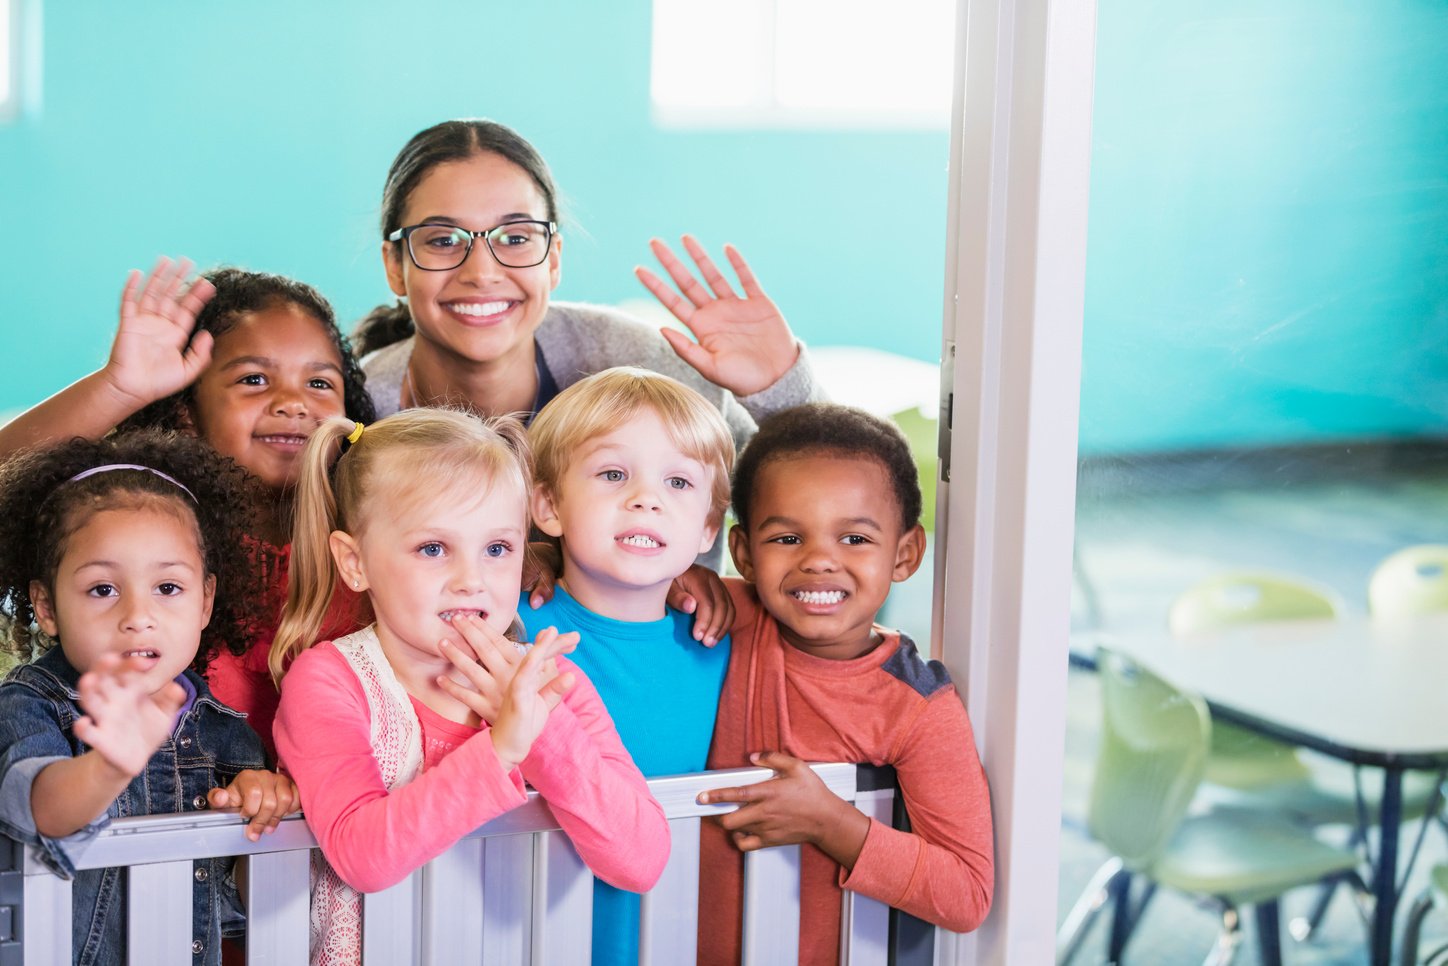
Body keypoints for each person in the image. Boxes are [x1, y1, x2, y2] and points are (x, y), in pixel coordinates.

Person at [270, 409, 668, 966]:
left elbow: (641, 859)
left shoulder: (555, 685)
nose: (471, 579)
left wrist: (543, 733)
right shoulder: (330, 681)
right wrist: (501, 746)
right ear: (355, 562)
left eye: (497, 549)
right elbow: (361, 855)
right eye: (433, 548)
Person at [0, 261, 378, 756]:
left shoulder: (368, 546)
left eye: (320, 383)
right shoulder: (151, 537)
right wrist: (120, 389)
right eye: (254, 380)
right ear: (186, 412)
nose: (293, 403)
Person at [696, 403, 995, 964]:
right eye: (786, 539)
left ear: (905, 555)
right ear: (743, 554)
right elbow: (612, 588)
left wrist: (830, 823)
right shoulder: (720, 612)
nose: (819, 562)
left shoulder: (917, 708)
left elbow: (967, 893)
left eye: (854, 540)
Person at [0, 432, 300, 966]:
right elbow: (44, 811)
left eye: (167, 588)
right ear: (45, 606)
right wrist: (110, 764)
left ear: (206, 601)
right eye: (102, 589)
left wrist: (262, 806)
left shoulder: (226, 731)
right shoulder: (29, 704)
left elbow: (244, 904)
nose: (138, 615)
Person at [354, 118, 823, 447]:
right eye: (443, 240)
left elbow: (830, 506)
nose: (481, 272)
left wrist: (780, 391)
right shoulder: (353, 412)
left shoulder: (650, 368)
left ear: (554, 260)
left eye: (516, 237)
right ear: (395, 265)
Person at [525, 366, 735, 965]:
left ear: (708, 529)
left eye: (678, 482)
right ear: (548, 505)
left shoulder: (720, 640)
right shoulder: (506, 625)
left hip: (666, 942)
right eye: (613, 474)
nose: (646, 498)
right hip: (519, 935)